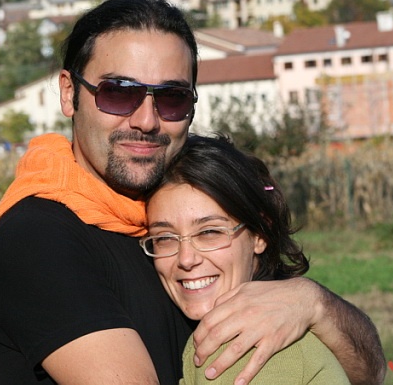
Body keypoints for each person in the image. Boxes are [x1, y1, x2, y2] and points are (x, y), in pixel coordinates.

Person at [0, 0, 386, 385]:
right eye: (118, 93)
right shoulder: (38, 236)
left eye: (171, 98)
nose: (146, 120)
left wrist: (314, 304)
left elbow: (370, 370)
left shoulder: (184, 206)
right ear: (69, 94)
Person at [142, 134, 351, 384]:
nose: (186, 259)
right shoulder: (296, 332)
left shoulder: (239, 352)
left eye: (209, 232)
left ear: (259, 234)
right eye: (165, 237)